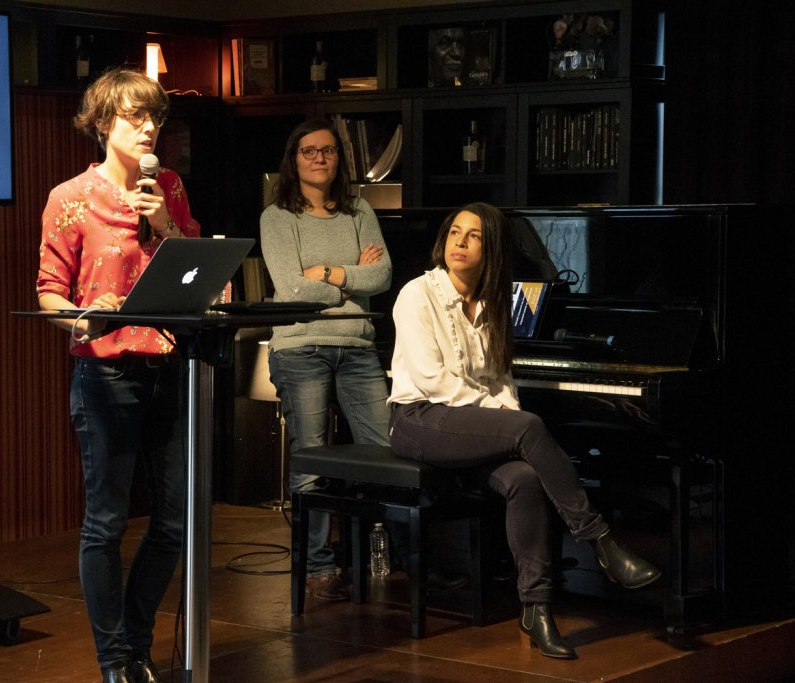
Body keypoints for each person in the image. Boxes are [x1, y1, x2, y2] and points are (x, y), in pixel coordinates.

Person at [386, 202, 661, 660]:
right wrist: (506, 425)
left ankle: (537, 608)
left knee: (526, 479)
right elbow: (434, 381)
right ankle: (601, 541)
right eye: (455, 232)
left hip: (465, 426)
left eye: (473, 236)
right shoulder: (418, 294)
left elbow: (500, 383)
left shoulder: (495, 303)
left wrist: (503, 421)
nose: (460, 242)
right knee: (527, 426)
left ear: (490, 247)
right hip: (418, 421)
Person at [36, 67, 199, 683]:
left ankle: (135, 639)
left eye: (155, 116)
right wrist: (82, 317)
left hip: (168, 363)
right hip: (105, 374)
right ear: (104, 123)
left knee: (175, 522)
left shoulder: (171, 187)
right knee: (105, 522)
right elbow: (50, 294)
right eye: (136, 116)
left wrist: (165, 226)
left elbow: (199, 273)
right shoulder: (70, 197)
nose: (150, 126)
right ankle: (114, 660)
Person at [260, 118, 393, 602]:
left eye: (329, 151)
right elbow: (292, 288)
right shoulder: (277, 216)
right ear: (293, 160)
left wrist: (330, 272)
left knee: (383, 453)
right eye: (309, 150)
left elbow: (383, 276)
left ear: (340, 159)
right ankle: (316, 566)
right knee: (312, 457)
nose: (320, 158)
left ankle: (384, 554)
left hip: (358, 347)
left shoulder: (359, 211)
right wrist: (353, 276)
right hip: (301, 347)